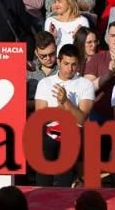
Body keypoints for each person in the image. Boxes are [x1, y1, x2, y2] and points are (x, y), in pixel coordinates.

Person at [33, 43, 94, 186]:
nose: (70, 69)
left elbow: (82, 119)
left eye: (73, 64)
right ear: (59, 61)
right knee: (46, 142)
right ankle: (42, 194)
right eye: (66, 64)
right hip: (50, 130)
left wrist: (66, 102)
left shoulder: (85, 84)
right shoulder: (45, 83)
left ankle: (63, 193)